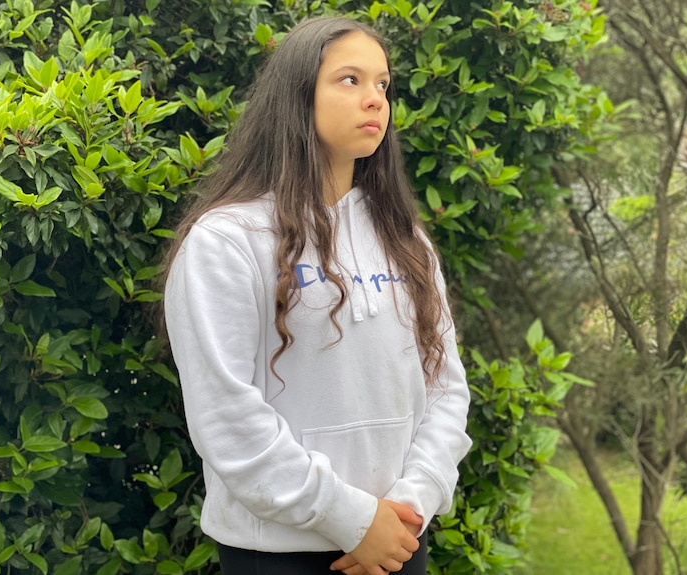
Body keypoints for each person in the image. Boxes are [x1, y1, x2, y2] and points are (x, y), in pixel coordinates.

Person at [162, 15, 472, 575]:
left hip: (400, 542)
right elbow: (227, 416)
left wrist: (408, 507)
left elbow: (446, 388)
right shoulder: (228, 241)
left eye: (383, 84)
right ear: (297, 95)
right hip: (278, 553)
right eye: (349, 80)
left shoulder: (406, 241)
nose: (375, 99)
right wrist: (352, 517)